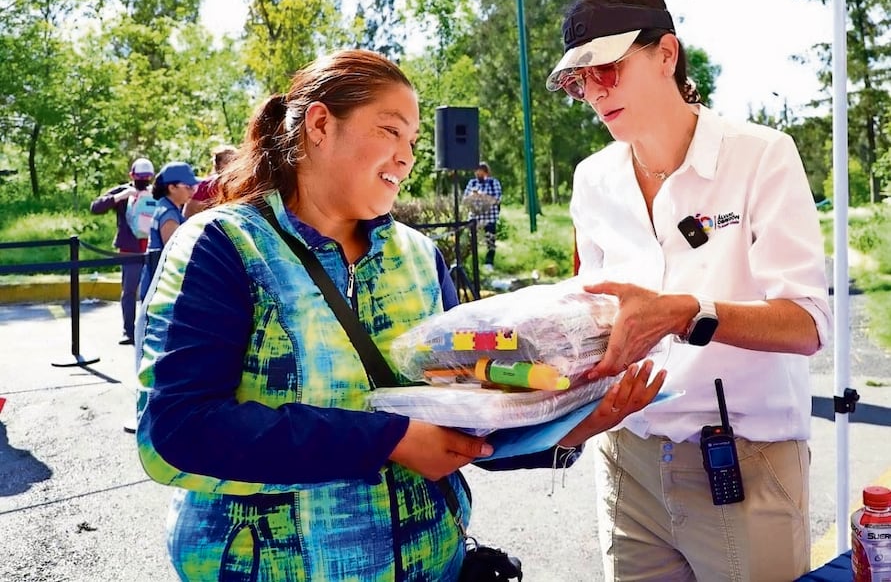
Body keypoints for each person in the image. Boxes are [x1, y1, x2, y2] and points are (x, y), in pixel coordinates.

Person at [133, 49, 663, 581]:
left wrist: (573, 425)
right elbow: (175, 435)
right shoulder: (225, 246)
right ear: (320, 124)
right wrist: (388, 439)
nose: (407, 158)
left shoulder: (418, 257)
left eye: (412, 142)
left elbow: (464, 418)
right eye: (390, 131)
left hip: (435, 565)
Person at [547, 0, 832, 581]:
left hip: (744, 460)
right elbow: (592, 311)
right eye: (579, 81)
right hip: (628, 457)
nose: (594, 92)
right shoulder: (592, 179)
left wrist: (684, 311)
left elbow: (809, 324)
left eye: (608, 69)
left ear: (667, 55)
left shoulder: (761, 155)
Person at [89, 157, 155, 345]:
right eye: (140, 178)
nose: (143, 182)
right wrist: (120, 197)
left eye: (146, 178)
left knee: (152, 290)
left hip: (153, 249)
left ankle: (149, 330)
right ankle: (129, 331)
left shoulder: (155, 192)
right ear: (131, 176)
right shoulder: (123, 191)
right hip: (129, 249)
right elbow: (96, 207)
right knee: (129, 291)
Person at [137, 161, 199, 301]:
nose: (192, 191)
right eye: (188, 187)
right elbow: (175, 250)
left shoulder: (168, 207)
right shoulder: (168, 214)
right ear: (172, 187)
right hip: (160, 288)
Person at [462, 162, 502, 272]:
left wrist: (482, 196)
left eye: (479, 171)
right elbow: (464, 200)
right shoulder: (472, 183)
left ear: (486, 172)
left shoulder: (493, 183)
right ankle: (472, 264)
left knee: (490, 240)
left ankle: (489, 263)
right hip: (474, 218)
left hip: (490, 217)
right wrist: (472, 196)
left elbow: (497, 199)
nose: (477, 174)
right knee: (471, 241)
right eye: (476, 171)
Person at [183, 143, 238, 219]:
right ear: (218, 164)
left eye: (235, 160)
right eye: (227, 162)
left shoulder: (240, 184)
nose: (233, 164)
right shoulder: (207, 185)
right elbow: (189, 211)